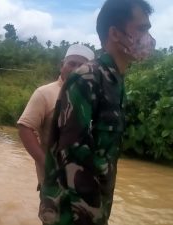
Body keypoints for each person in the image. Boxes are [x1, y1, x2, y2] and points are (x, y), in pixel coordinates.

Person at [39, 0, 155, 224]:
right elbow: (72, 156)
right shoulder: (87, 78)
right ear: (115, 33)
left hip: (95, 206)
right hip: (72, 212)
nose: (148, 37)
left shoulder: (115, 81)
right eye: (142, 29)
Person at [17, 44, 94, 191]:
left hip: (85, 181)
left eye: (81, 65)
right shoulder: (45, 93)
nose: (76, 69)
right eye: (71, 63)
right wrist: (45, 164)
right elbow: (24, 128)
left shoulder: (94, 98)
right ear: (62, 65)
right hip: (54, 181)